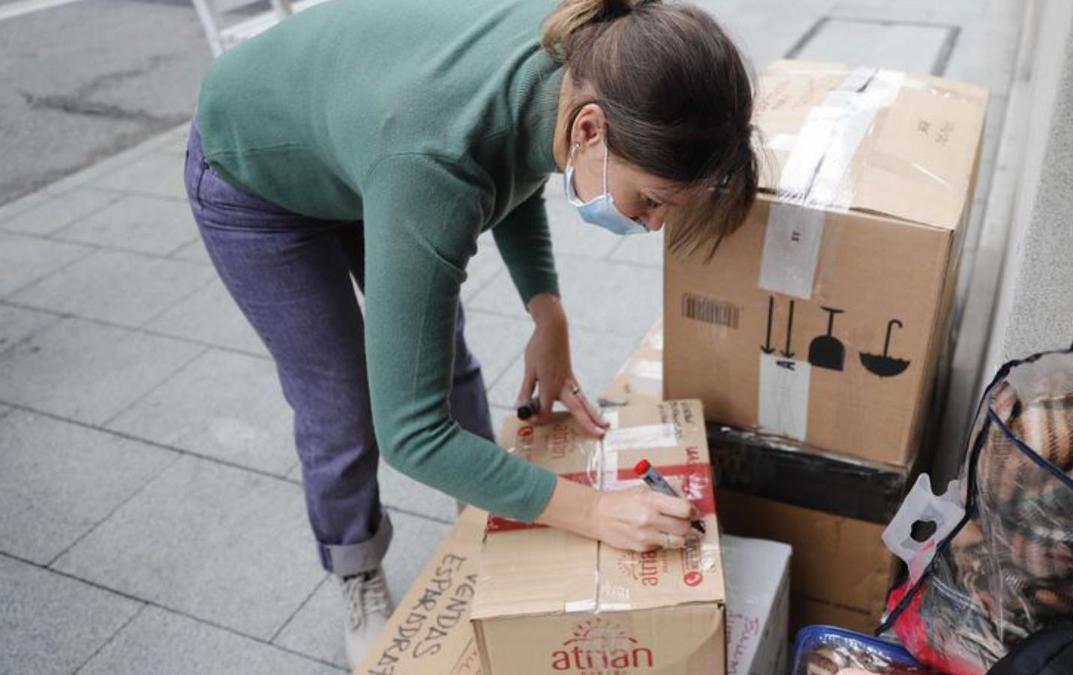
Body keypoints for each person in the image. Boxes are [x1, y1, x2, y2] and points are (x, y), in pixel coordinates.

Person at [185, 0, 757, 665]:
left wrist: (549, 312)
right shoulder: (433, 166)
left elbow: (516, 160)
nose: (653, 224)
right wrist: (593, 511)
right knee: (343, 401)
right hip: (252, 170)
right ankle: (355, 566)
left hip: (362, 137)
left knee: (438, 350)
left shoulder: (594, 53)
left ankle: (486, 513)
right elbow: (411, 434)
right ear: (592, 129)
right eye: (651, 199)